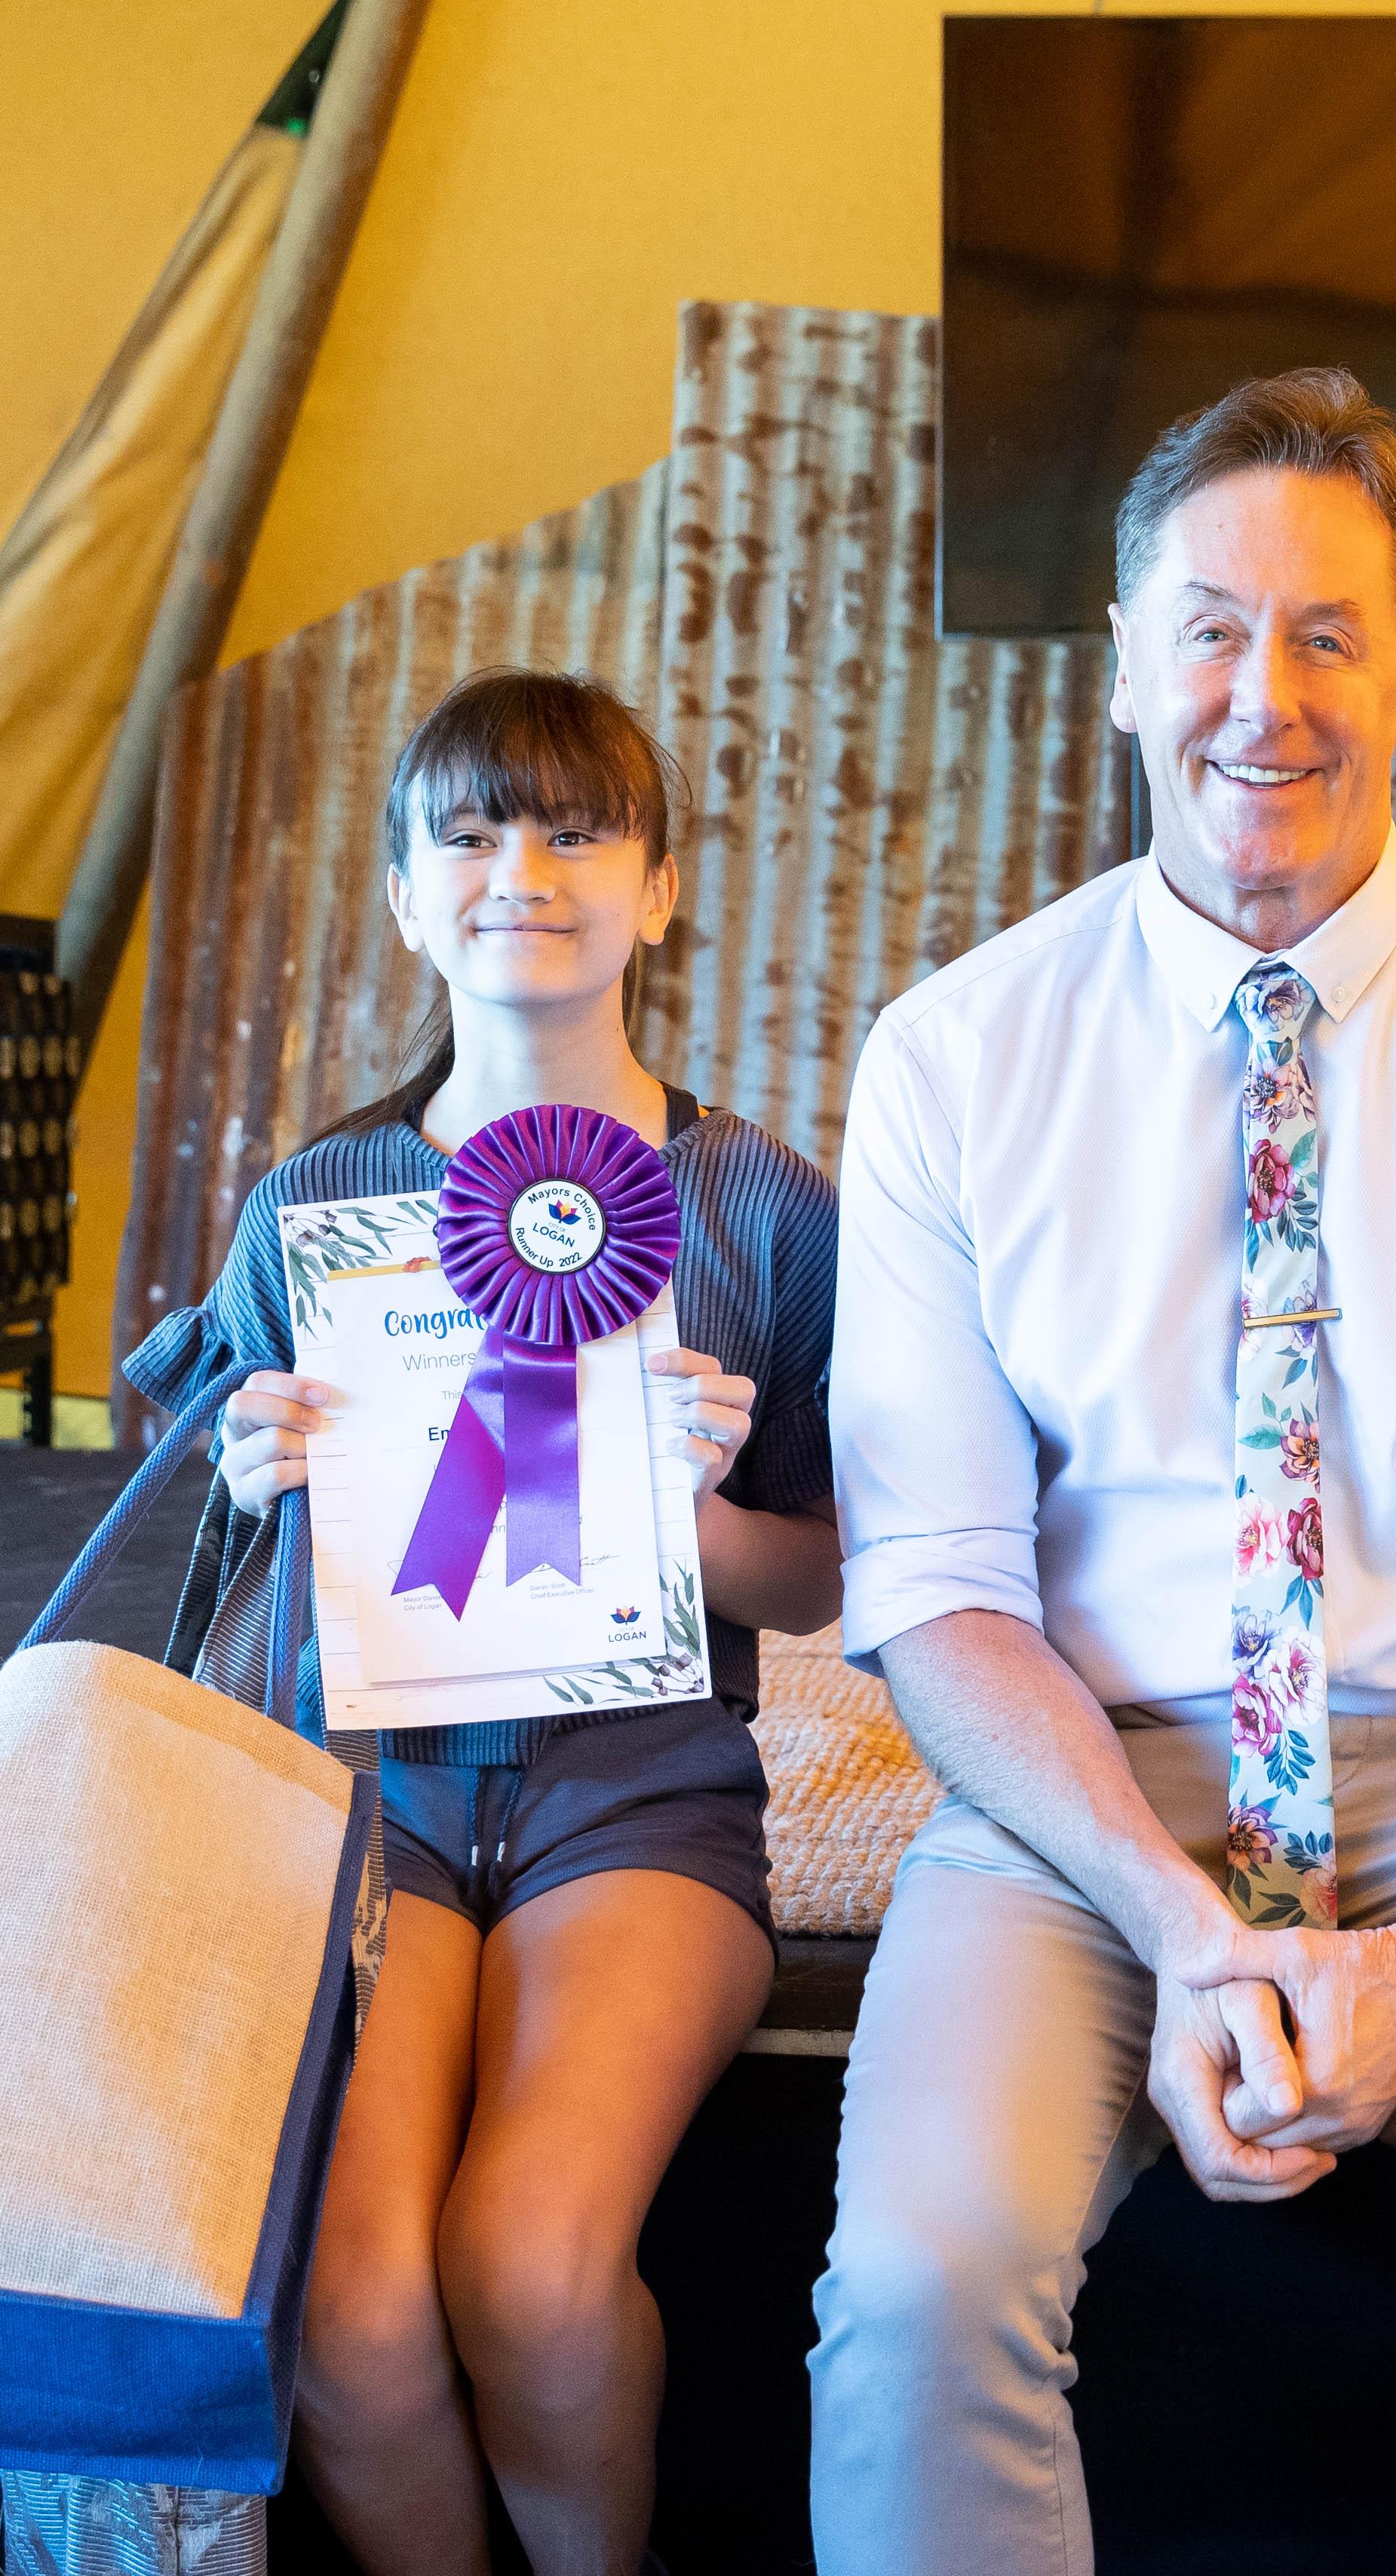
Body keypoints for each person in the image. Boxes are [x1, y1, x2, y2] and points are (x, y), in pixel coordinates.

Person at [812, 367, 1396, 2574]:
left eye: (1333, 632)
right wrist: (1179, 1925)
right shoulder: (955, 1057)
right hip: (1085, 1803)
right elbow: (938, 1583)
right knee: (919, 2294)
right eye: (1213, 627)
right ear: (1128, 662)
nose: (1270, 691)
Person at [120, 669, 842, 2576]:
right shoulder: (319, 1209)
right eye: (470, 831)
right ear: (405, 898)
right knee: (349, 2314)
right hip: (367, 1804)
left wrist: (684, 1520)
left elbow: (838, 1574)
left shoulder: (759, 1204)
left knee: (528, 2266)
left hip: (641, 1802)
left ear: (661, 891)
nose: (521, 866)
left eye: (576, 828)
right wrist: (252, 1471)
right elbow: (219, 1526)